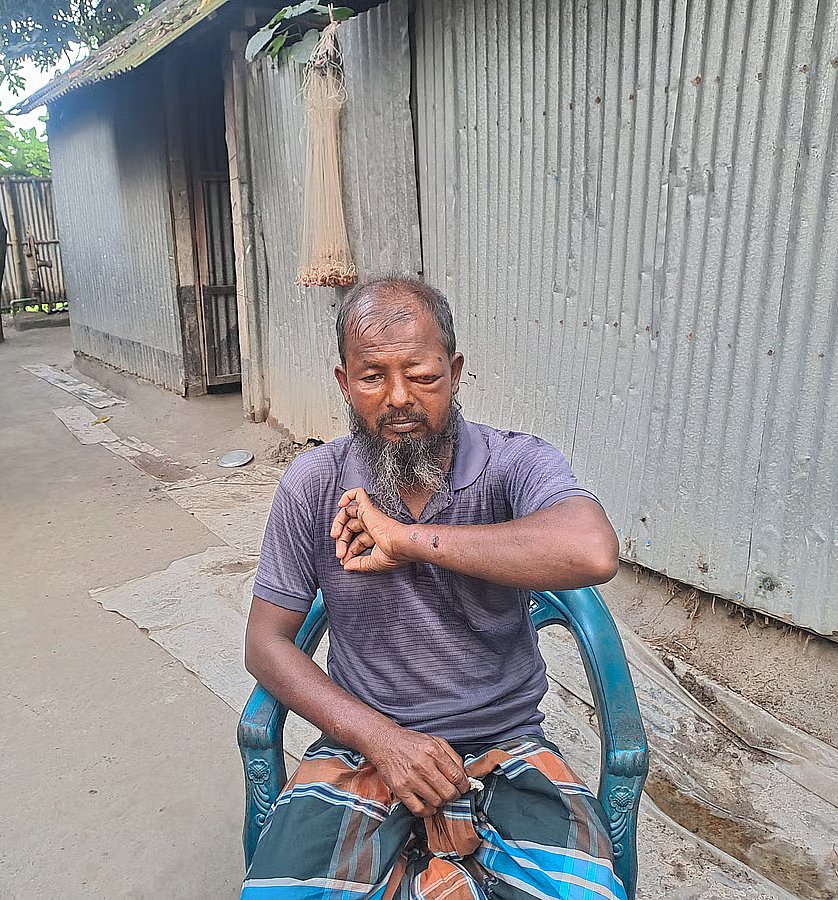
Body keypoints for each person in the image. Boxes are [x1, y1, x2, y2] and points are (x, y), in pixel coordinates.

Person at [241, 277, 627, 899]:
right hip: (361, 746)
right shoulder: (311, 484)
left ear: (455, 369)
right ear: (343, 382)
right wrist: (379, 738)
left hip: (504, 748)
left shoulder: (514, 465)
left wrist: (408, 540)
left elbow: (591, 550)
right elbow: (265, 643)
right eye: (373, 378)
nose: (399, 398)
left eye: (421, 374)